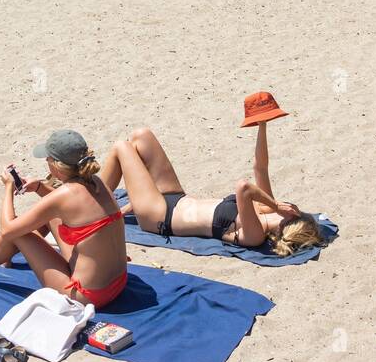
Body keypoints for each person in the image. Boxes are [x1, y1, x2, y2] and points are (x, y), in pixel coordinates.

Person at [99, 94, 325, 256]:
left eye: (294, 211)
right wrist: (262, 125)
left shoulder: (254, 234)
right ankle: (108, 196)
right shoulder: (264, 209)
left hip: (160, 217)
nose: (291, 206)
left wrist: (276, 205)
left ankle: (92, 203)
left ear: (288, 222)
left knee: (122, 147)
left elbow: (244, 187)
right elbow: (260, 168)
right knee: (141, 136)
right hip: (176, 198)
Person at [0, 130, 129, 307]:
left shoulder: (63, 196)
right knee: (47, 218)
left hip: (86, 296)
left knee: (19, 233)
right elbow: (62, 205)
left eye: (48, 159)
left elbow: (8, 229)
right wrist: (39, 187)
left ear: (56, 165)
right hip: (118, 284)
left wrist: (8, 188)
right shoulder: (97, 182)